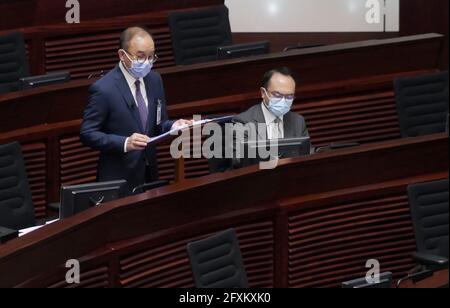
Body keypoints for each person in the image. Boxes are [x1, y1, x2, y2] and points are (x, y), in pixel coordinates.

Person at [80, 27, 191, 194]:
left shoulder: (155, 80)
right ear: (122, 55)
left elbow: (159, 124)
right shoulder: (104, 89)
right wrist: (125, 143)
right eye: (140, 57)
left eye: (151, 56)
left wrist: (174, 125)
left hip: (149, 176)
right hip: (118, 181)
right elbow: (87, 133)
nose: (146, 62)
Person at [231, 67, 310, 168]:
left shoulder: (298, 121)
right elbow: (238, 162)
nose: (283, 101)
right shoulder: (243, 122)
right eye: (277, 95)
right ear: (263, 93)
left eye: (289, 96)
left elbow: (307, 153)